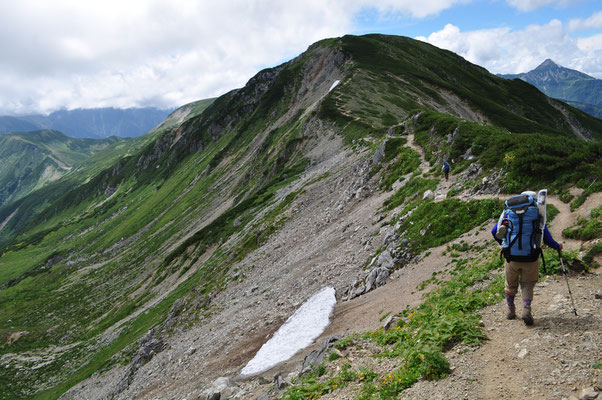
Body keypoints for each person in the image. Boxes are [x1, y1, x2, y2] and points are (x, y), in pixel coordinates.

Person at [491, 191, 562, 325]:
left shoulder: (509, 212)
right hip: (531, 256)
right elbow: (546, 238)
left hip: (511, 256)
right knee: (527, 284)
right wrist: (557, 246)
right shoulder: (536, 214)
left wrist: (504, 244)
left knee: (510, 284)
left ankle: (510, 310)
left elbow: (494, 232)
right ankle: (526, 309)